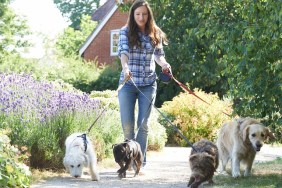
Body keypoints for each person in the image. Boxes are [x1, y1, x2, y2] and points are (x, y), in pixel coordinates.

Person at [117, 0, 171, 167]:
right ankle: (129, 160)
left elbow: (159, 55)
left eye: (144, 14)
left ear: (149, 15)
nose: (141, 17)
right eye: (138, 14)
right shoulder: (125, 32)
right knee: (127, 125)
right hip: (128, 83)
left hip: (148, 83)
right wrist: (125, 68)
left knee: (144, 124)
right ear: (133, 15)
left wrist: (164, 64)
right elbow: (123, 52)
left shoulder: (155, 33)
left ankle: (139, 162)